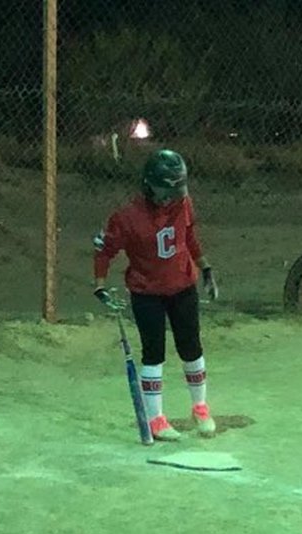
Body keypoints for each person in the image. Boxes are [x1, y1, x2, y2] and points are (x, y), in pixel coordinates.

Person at [92, 148, 219, 441]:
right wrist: (99, 284)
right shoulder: (127, 218)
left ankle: (200, 407)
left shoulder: (183, 204)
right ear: (149, 184)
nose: (169, 198)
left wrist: (205, 268)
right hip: (147, 293)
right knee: (153, 353)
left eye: (175, 192)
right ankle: (156, 419)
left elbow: (189, 237)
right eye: (164, 191)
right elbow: (104, 250)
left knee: (192, 347)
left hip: (183, 286)